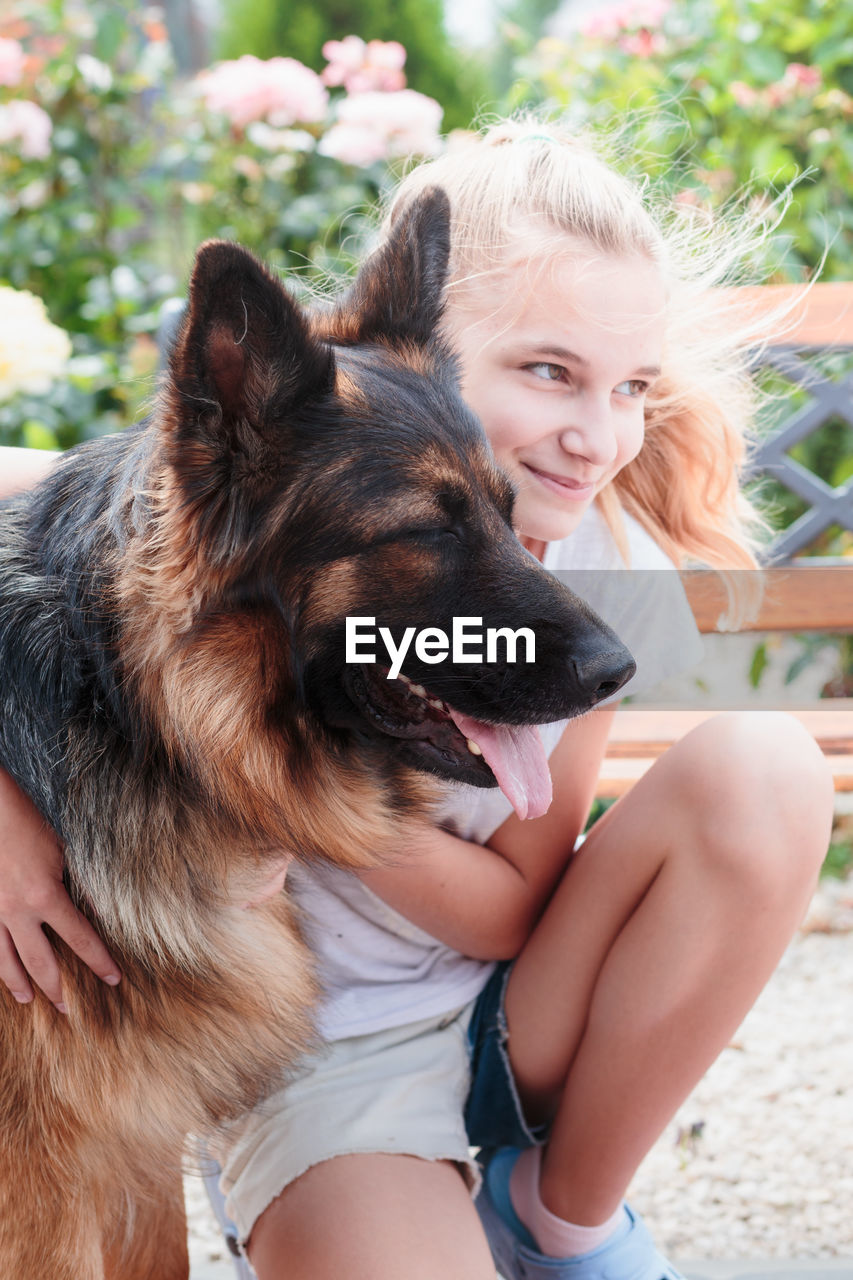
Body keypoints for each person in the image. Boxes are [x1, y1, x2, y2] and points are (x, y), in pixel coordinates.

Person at [0, 119, 834, 1280]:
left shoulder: (599, 566)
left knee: (766, 769)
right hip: (339, 1060)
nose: (597, 434)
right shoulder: (277, 482)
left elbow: (509, 909)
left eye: (629, 386)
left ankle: (563, 1212)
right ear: (432, 354)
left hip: (515, 1010)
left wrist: (290, 801)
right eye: (550, 371)